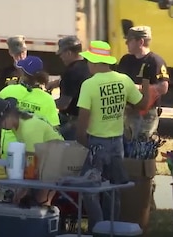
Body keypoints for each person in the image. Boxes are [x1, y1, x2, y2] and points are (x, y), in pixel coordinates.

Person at [75, 40, 150, 232]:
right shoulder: (123, 80)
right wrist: (146, 83)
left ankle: (97, 226)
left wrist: (82, 144)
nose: (88, 65)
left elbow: (82, 121)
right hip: (117, 144)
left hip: (96, 144)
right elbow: (142, 105)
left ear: (95, 62)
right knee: (114, 188)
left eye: (89, 61)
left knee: (89, 189)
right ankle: (112, 227)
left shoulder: (89, 85)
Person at [0, 97, 64, 205]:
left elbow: (31, 162)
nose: (1, 128)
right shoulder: (18, 123)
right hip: (45, 160)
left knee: (42, 202)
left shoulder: (28, 128)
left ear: (7, 117)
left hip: (56, 161)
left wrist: (24, 190)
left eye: (0, 124)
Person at [0, 56, 60, 159]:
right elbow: (54, 128)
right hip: (35, 156)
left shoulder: (9, 91)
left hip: (9, 152)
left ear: (23, 74)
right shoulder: (47, 99)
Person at [117, 26, 169, 140]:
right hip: (128, 110)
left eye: (129, 40)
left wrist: (139, 88)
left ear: (140, 42)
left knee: (142, 144)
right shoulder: (126, 60)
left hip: (147, 113)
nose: (126, 43)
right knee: (127, 144)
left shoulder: (155, 61)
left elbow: (163, 87)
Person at [45, 36, 91, 140]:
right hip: (88, 120)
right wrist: (58, 82)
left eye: (61, 54)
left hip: (72, 121)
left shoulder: (71, 72)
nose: (61, 57)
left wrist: (46, 102)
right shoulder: (88, 65)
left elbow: (63, 104)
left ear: (69, 53)